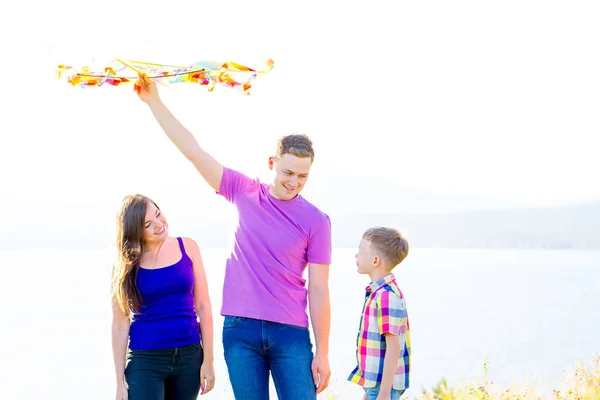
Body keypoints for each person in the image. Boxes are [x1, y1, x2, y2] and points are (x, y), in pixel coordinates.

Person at [134, 73, 332, 400]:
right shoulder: (243, 191)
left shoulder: (317, 221)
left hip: (291, 334)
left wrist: (322, 352)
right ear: (272, 163)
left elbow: (320, 289)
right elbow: (194, 152)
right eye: (287, 172)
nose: (294, 181)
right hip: (241, 332)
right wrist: (154, 101)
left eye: (302, 175)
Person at [111, 194, 215, 400]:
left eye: (158, 214)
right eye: (148, 224)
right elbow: (120, 325)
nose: (159, 224)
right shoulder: (124, 265)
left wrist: (209, 361)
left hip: (189, 356)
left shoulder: (188, 246)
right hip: (145, 359)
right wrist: (119, 383)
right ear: (135, 232)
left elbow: (203, 306)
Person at [348, 227, 411, 400]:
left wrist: (383, 393)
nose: (356, 256)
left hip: (383, 388)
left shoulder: (386, 296)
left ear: (376, 260)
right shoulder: (379, 292)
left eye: (360, 251)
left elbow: (393, 346)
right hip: (376, 385)